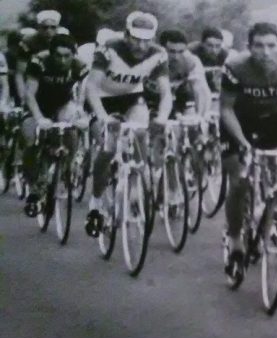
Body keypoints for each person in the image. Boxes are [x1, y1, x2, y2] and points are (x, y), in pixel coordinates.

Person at [219, 22, 277, 280]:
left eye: (271, 46)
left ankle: (270, 211)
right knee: (239, 182)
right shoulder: (235, 66)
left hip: (274, 119)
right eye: (259, 46)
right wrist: (243, 143)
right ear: (249, 47)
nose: (265, 52)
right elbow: (225, 109)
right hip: (238, 120)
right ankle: (235, 240)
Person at [83, 11, 172, 237]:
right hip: (102, 99)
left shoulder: (159, 54)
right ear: (126, 35)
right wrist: (103, 117)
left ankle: (134, 190)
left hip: (132, 98)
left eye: (146, 40)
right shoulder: (108, 48)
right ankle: (95, 202)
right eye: (135, 38)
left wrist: (162, 117)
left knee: (140, 133)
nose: (141, 45)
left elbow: (166, 93)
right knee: (108, 148)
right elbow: (91, 86)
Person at [19, 34, 87, 213]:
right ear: (51, 54)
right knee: (30, 139)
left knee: (71, 129)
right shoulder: (39, 62)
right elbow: (29, 94)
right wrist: (40, 118)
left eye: (67, 56)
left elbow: (81, 96)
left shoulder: (79, 66)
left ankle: (66, 169)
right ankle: (33, 183)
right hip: (38, 106)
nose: (63, 60)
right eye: (58, 55)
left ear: (74, 54)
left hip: (62, 105)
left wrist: (81, 116)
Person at [148, 29, 210, 117]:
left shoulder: (191, 61)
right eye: (171, 51)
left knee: (191, 115)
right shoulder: (150, 57)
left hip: (177, 98)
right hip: (147, 98)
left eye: (181, 51)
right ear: (160, 48)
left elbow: (202, 90)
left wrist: (201, 117)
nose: (176, 57)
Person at [15, 10, 63, 103]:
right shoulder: (28, 42)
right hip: (33, 79)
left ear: (58, 28)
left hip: (55, 80)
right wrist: (22, 97)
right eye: (45, 27)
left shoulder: (64, 39)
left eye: (53, 27)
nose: (49, 31)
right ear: (38, 28)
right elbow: (20, 73)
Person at [189, 28, 229, 93]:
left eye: (218, 46)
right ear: (202, 43)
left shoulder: (224, 54)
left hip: (210, 80)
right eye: (210, 46)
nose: (214, 50)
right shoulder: (191, 52)